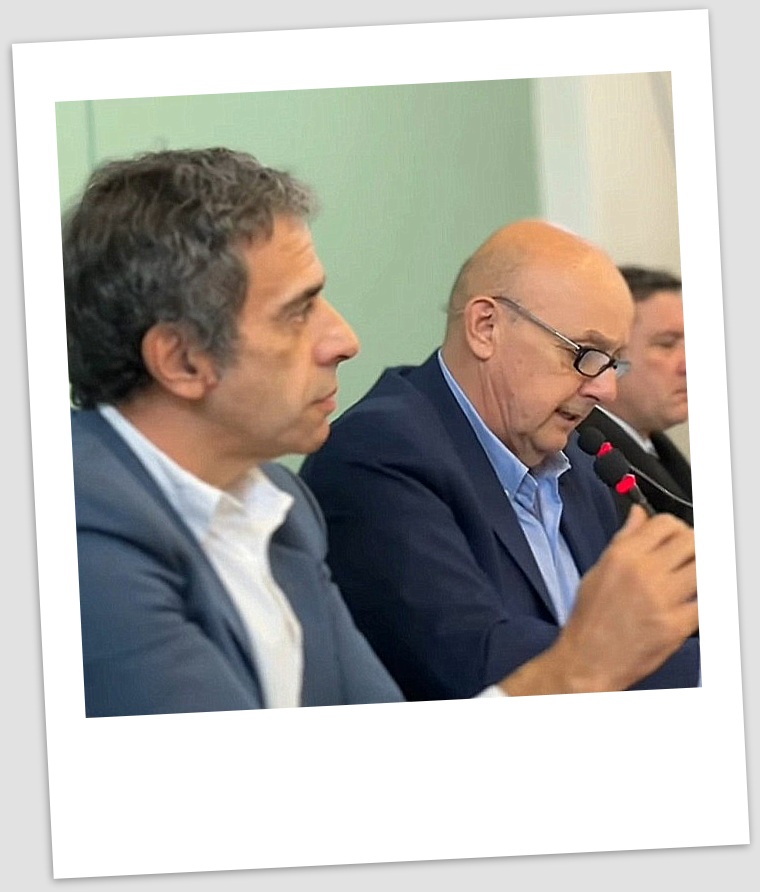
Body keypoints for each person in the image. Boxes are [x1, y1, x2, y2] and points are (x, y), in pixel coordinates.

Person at [300, 220, 700, 701]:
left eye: (613, 361)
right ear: (485, 327)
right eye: (586, 354)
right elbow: (476, 665)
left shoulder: (576, 457)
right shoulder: (377, 455)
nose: (605, 389)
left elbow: (646, 630)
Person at [578, 266, 692, 525]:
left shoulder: (652, 447)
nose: (687, 364)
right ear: (611, 354)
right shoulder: (585, 461)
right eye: (667, 344)